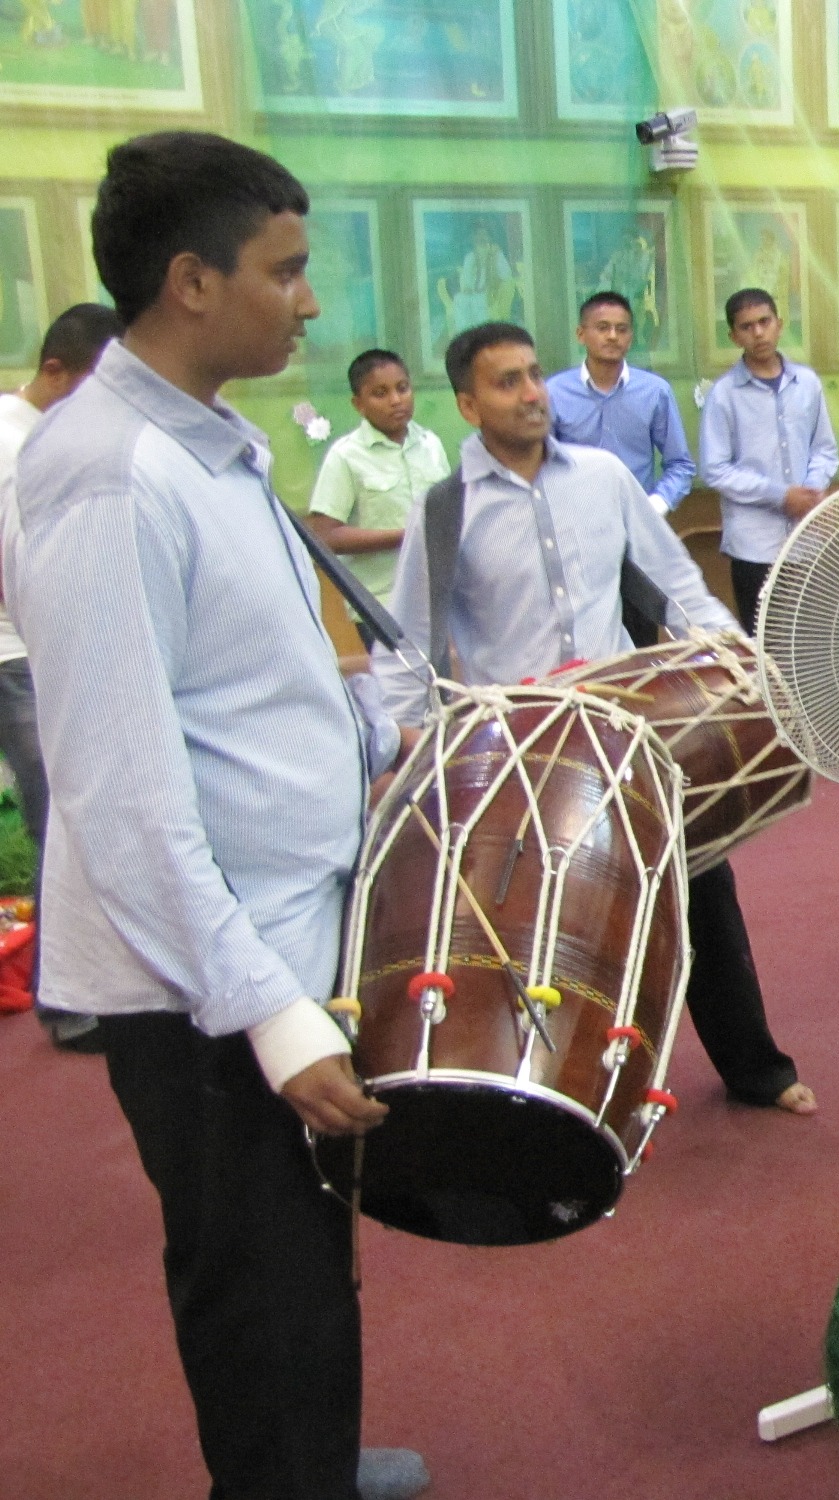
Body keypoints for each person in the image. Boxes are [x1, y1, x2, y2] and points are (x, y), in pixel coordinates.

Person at [6, 131, 426, 1500]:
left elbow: (239, 691)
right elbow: (120, 794)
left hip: (267, 937)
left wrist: (379, 726)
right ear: (191, 281)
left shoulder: (205, 445)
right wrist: (265, 1006)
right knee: (254, 1279)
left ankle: (310, 1462)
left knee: (304, 1260)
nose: (308, 300)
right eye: (284, 271)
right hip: (198, 981)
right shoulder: (110, 474)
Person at [373, 321, 816, 1117]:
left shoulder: (605, 477)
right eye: (506, 382)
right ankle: (546, 1094)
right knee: (544, 926)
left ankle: (758, 1069)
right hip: (524, 757)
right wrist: (397, 756)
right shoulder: (444, 510)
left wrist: (743, 667)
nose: (532, 393)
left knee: (704, 893)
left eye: (535, 375)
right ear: (470, 405)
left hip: (631, 730)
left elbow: (677, 585)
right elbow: (406, 644)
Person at [0, 301, 122, 1051]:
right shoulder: (14, 444)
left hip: (34, 649)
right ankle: (67, 1001)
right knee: (60, 821)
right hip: (16, 653)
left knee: (69, 814)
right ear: (54, 370)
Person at [547, 290, 696, 647]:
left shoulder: (654, 392)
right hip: (576, 539)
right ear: (581, 334)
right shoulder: (553, 392)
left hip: (637, 543)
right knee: (583, 641)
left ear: (631, 336)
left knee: (641, 642)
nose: (613, 336)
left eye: (622, 329)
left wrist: (652, 508)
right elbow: (542, 466)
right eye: (602, 327)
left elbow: (680, 465)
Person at [699, 287, 838, 634]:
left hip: (806, 540)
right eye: (747, 326)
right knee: (763, 642)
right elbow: (716, 470)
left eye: (765, 321)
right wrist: (780, 495)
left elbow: (825, 449)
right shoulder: (724, 394)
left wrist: (810, 490)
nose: (758, 333)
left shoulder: (806, 383)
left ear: (779, 323)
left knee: (811, 640)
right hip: (754, 545)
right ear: (733, 335)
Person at [305, 348, 450, 616]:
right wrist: (405, 536)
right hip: (381, 604)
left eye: (403, 388)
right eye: (380, 393)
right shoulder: (346, 455)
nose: (396, 400)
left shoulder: (430, 444)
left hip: (435, 598)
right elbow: (324, 536)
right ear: (358, 404)